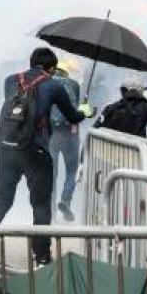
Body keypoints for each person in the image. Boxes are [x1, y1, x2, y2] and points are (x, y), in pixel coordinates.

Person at [0, 48, 86, 265]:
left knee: (1, 199)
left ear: (32, 63)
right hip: (35, 150)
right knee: (40, 205)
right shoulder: (54, 85)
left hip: (7, 147)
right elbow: (72, 116)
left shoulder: (10, 80)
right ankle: (41, 256)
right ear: (51, 68)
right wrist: (85, 111)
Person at [47, 59, 86, 221]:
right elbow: (75, 111)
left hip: (51, 134)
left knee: (51, 172)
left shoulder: (46, 84)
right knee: (71, 170)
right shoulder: (74, 85)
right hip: (70, 133)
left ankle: (50, 209)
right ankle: (65, 201)